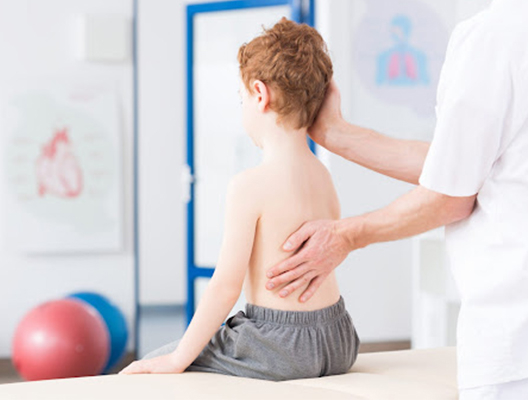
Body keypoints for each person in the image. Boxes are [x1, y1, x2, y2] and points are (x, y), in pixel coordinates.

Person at [265, 1, 528, 398]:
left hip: (519, 340)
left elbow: (451, 194)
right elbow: (462, 165)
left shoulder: (495, 35)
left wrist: (346, 236)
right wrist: (335, 133)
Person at [119, 18, 359, 381]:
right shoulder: (322, 175)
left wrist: (177, 359)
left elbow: (225, 286)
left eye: (241, 97)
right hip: (338, 338)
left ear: (259, 94)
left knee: (155, 361)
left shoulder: (249, 185)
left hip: (280, 345)